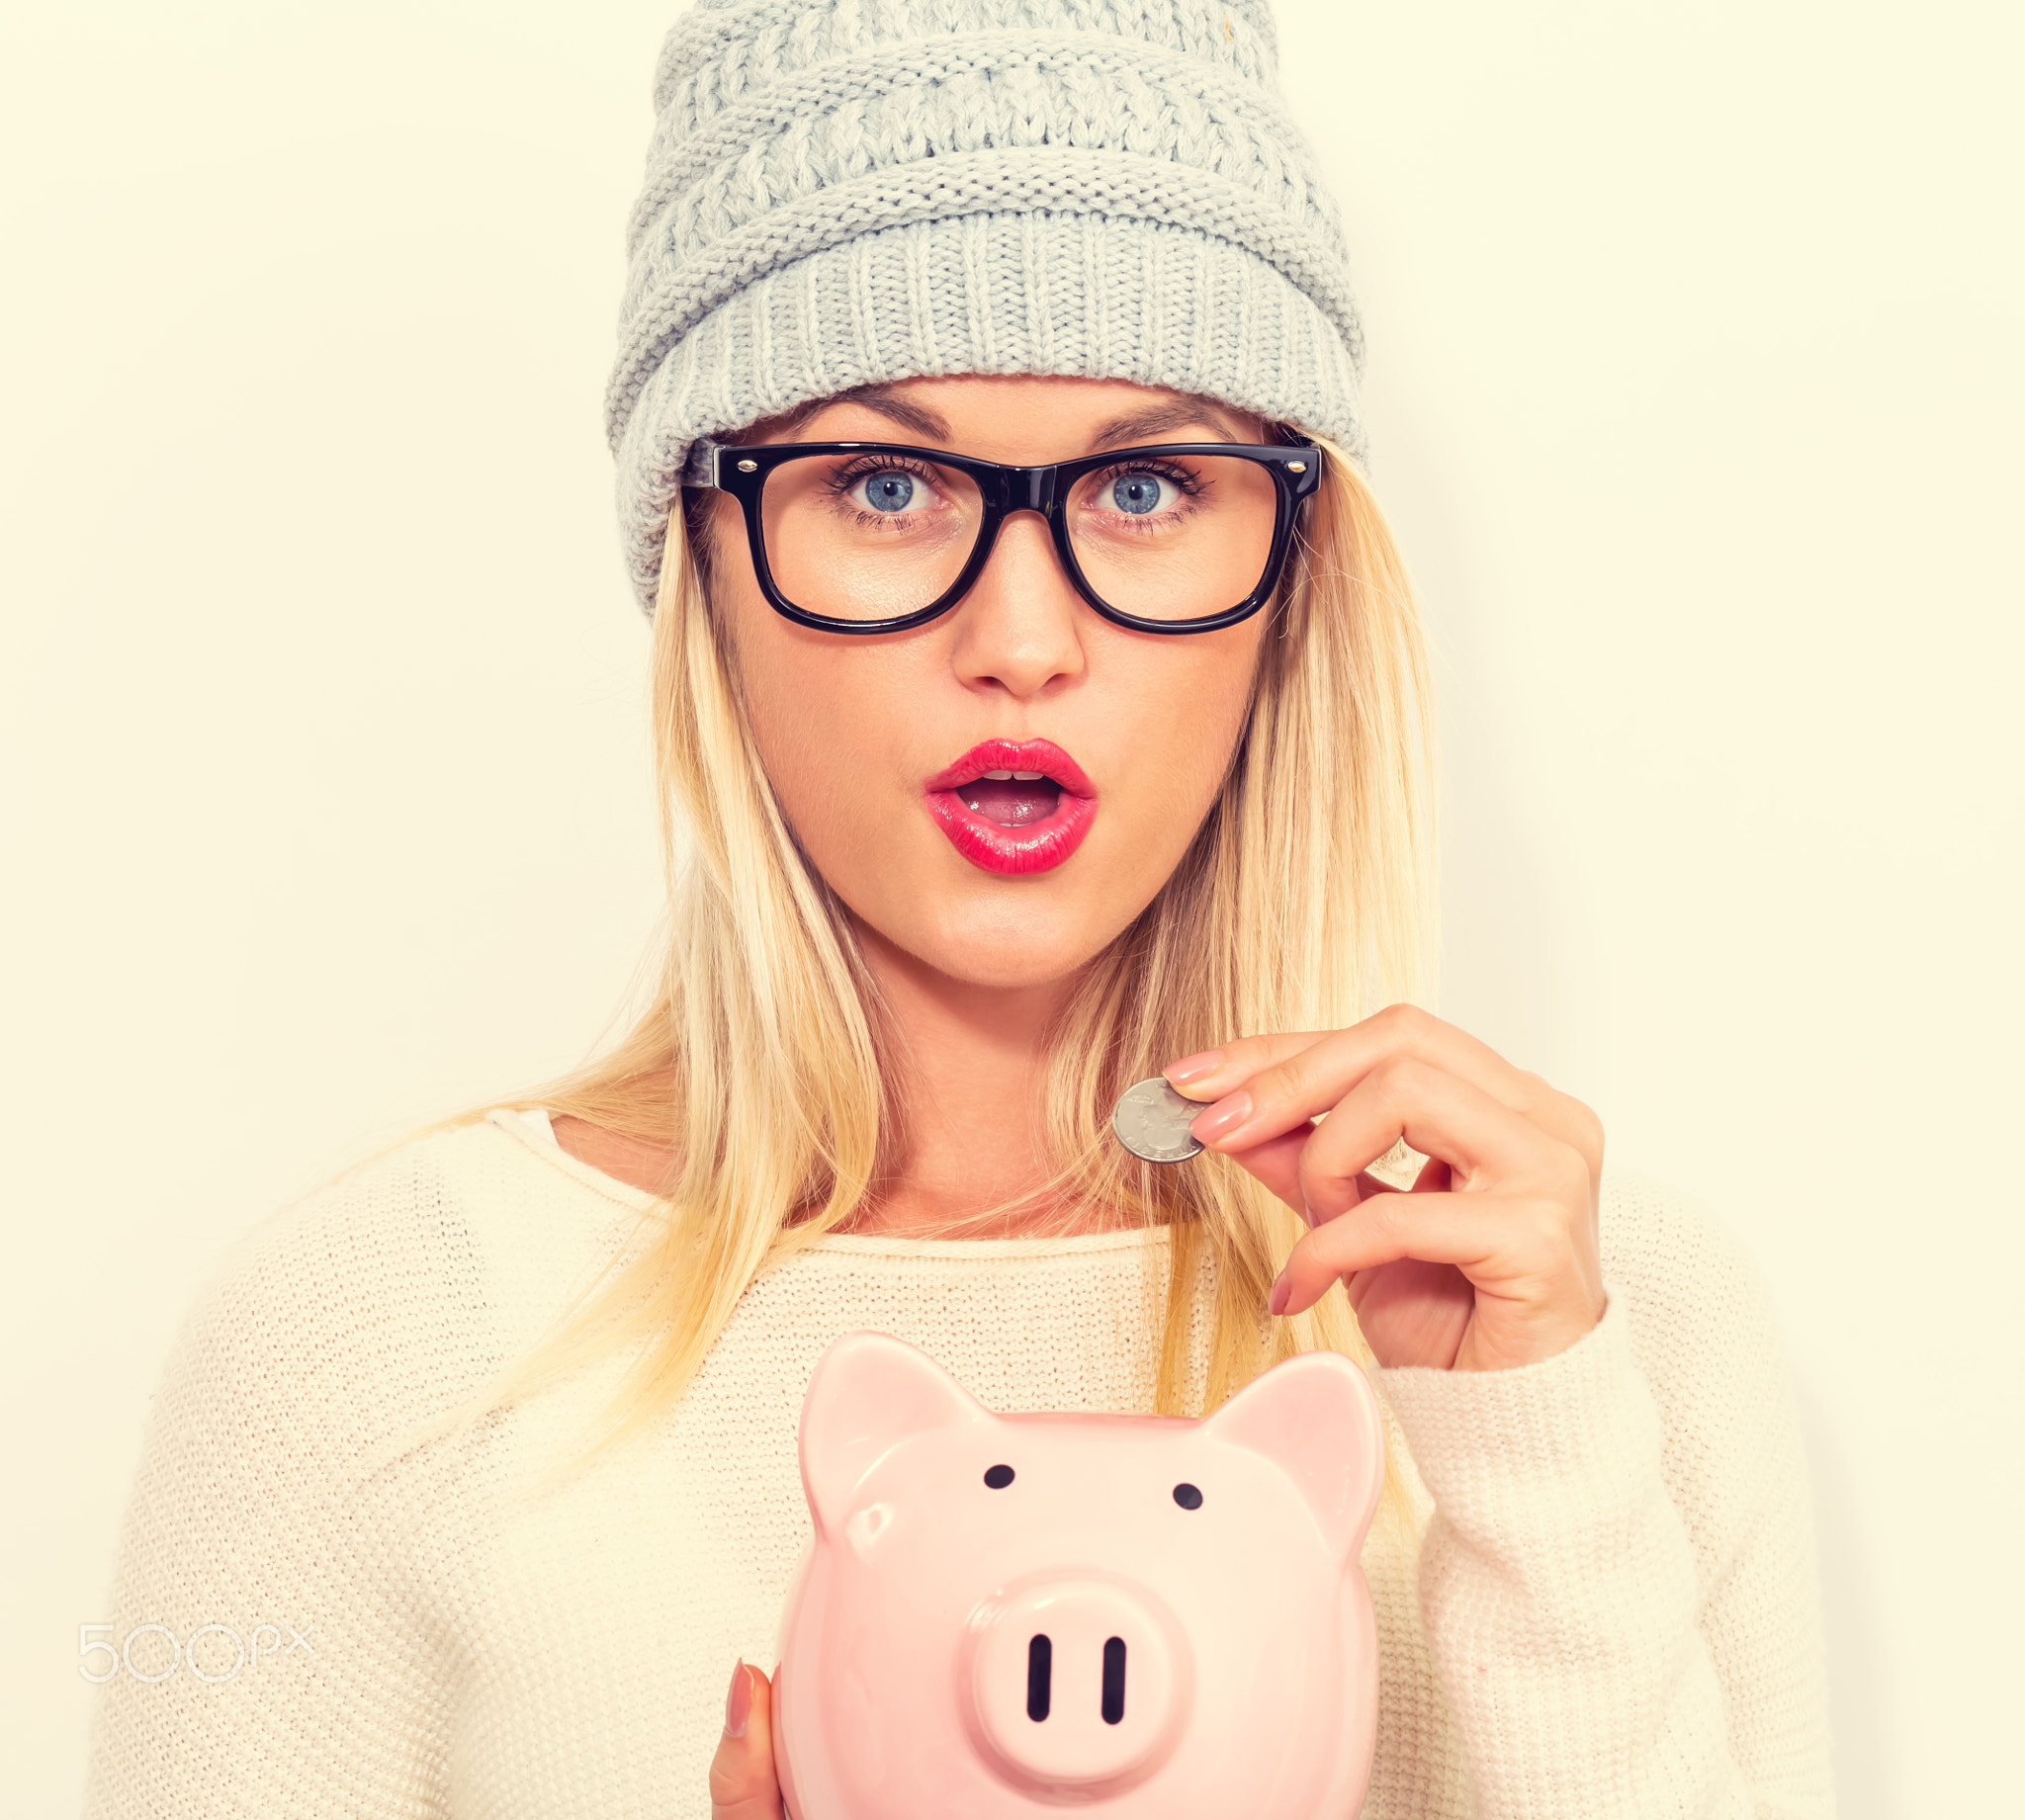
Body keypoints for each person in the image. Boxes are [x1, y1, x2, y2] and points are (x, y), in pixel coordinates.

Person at [81, 3, 1834, 1816]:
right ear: (701, 562)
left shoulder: (1594, 1322)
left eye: (1146, 485)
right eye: (884, 483)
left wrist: (1532, 1447)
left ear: (1294, 576)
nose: (1020, 638)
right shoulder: (363, 1343)